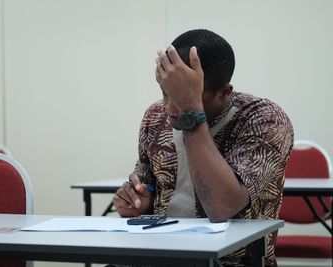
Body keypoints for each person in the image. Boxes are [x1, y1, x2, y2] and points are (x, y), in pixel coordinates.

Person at [112, 29, 294, 266]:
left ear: (225, 92)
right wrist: (138, 204)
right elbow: (146, 189)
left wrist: (191, 110)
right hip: (158, 257)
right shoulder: (154, 116)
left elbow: (221, 207)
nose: (170, 108)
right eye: (166, 93)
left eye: (184, 97)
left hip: (232, 262)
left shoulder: (264, 119)